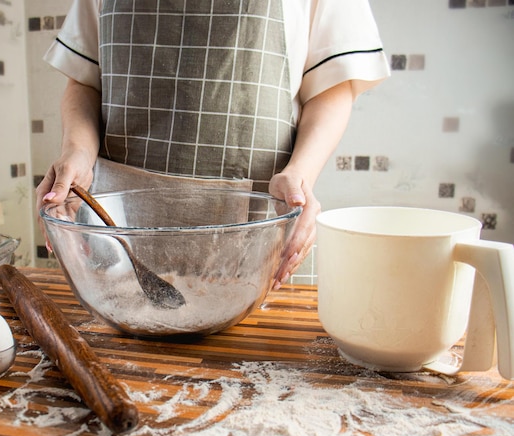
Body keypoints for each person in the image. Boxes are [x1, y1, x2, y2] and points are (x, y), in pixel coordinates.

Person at [37, 0, 390, 290]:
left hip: (254, 243)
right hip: (113, 241)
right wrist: (76, 153)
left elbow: (332, 88)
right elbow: (85, 81)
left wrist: (300, 173)